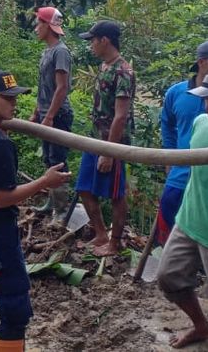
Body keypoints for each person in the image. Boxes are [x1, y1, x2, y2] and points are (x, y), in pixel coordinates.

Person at [0, 70, 71, 351]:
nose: (14, 104)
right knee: (14, 305)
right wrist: (44, 181)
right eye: (8, 98)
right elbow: (2, 198)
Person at [157, 66, 208, 349]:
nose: (206, 106)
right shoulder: (201, 124)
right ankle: (201, 326)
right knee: (168, 277)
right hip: (190, 221)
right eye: (204, 99)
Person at [77, 20, 135, 256]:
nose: (90, 45)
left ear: (105, 40)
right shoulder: (104, 66)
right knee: (84, 187)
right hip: (95, 139)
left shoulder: (123, 71)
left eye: (93, 40)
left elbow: (120, 116)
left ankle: (115, 243)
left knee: (115, 194)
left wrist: (109, 152)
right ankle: (101, 233)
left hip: (113, 143)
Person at [157, 40, 208, 245]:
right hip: (181, 171)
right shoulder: (177, 93)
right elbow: (167, 124)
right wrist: (170, 156)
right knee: (171, 214)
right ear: (201, 62)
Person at [29, 7, 73, 219]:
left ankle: (61, 210)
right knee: (48, 158)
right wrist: (37, 112)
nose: (36, 28)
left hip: (59, 115)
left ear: (48, 25)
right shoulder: (46, 51)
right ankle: (51, 202)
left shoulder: (61, 52)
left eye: (39, 24)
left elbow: (61, 87)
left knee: (58, 159)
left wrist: (50, 116)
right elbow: (44, 87)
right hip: (47, 113)